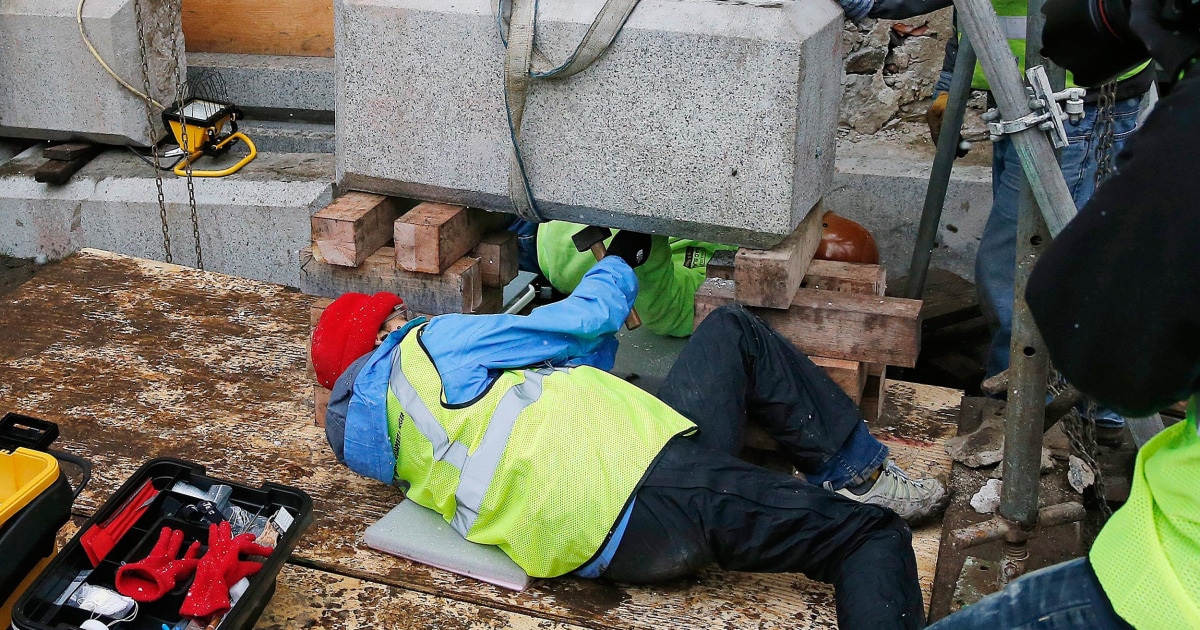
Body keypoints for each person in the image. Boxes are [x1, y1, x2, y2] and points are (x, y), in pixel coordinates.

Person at [313, 232, 948, 629]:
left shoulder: (392, 437)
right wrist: (618, 262)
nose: (406, 313)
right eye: (391, 315)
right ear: (377, 337)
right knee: (867, 537)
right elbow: (584, 319)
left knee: (729, 334)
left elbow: (567, 368)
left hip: (600, 526)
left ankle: (849, 474)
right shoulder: (431, 347)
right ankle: (862, 480)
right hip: (641, 490)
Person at [928, 4, 1200, 625]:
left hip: (1174, 590)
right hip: (1025, 93)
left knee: (1022, 269)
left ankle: (1088, 433)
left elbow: (1112, 350)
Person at [923, 4, 1152, 434]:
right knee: (1037, 265)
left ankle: (1031, 418)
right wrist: (949, 82)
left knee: (1019, 268)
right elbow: (975, 9)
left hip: (1076, 101)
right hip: (1024, 90)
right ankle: (1074, 408)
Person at [534, 215, 879, 338]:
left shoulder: (724, 290)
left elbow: (671, 310)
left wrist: (646, 241)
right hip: (546, 204)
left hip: (539, 254)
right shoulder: (754, 205)